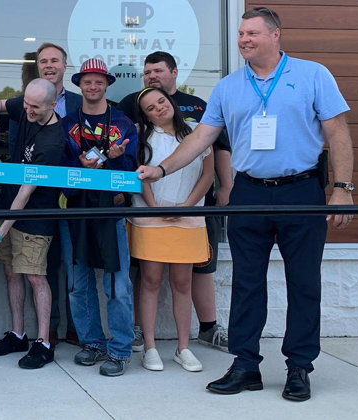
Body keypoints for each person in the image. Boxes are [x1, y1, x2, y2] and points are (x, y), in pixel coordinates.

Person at [138, 8, 354, 401]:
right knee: (247, 282)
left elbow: (337, 131)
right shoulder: (228, 86)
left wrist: (341, 187)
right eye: (239, 33)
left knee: (304, 282)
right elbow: (202, 137)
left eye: (252, 33)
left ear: (275, 36)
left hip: (301, 190)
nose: (243, 40)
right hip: (249, 192)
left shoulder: (313, 74)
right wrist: (162, 169)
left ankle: (299, 367)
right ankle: (245, 365)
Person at [117, 51, 233, 353]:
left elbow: (217, 153)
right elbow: (133, 162)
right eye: (146, 72)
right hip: (149, 214)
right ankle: (142, 334)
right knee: (146, 273)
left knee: (198, 270)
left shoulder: (199, 109)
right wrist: (154, 206)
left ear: (174, 72)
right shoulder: (132, 106)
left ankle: (206, 330)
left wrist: (227, 186)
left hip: (191, 212)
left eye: (157, 70)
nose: (151, 76)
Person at [0, 78, 65, 369]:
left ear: (52, 106)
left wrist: (0, 232)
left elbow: (26, 194)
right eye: (25, 104)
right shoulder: (27, 104)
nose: (26, 110)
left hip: (35, 217)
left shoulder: (53, 142)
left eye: (34, 107)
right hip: (9, 208)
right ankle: (18, 334)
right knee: (11, 271)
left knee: (35, 277)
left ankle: (43, 343)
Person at [60, 58, 138, 376]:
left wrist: (117, 162)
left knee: (117, 284)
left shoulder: (123, 123)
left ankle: (119, 350)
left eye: (99, 81)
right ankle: (92, 343)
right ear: (79, 84)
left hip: (111, 213)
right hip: (75, 212)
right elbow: (59, 169)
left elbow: (133, 172)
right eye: (87, 81)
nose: (93, 86)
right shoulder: (66, 123)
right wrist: (79, 166)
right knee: (78, 285)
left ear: (107, 84)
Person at [131, 87, 213, 373]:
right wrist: (155, 207)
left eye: (161, 102)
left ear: (171, 101)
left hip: (188, 218)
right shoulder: (141, 135)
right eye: (151, 107)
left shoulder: (197, 132)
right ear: (145, 114)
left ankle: (183, 347)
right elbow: (139, 176)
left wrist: (188, 206)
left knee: (182, 284)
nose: (159, 109)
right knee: (150, 281)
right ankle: (150, 347)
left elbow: (208, 175)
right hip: (150, 218)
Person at [16, 42, 82, 345]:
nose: (49, 65)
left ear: (65, 66)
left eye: (55, 60)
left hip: (73, 199)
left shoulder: (82, 103)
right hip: (39, 204)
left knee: (72, 264)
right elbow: (2, 108)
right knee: (46, 265)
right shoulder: (27, 101)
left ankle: (77, 327)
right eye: (43, 61)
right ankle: (51, 329)